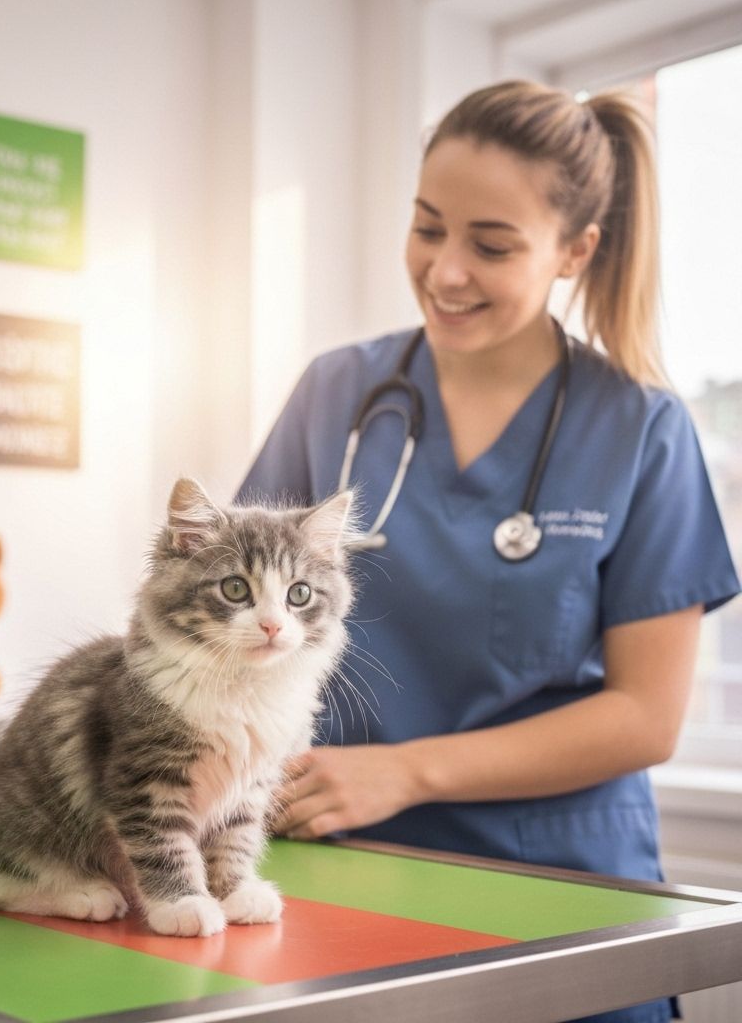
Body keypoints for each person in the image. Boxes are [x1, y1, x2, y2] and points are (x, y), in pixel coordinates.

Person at [237, 80, 740, 1023]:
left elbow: (645, 717)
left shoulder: (641, 429)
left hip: (564, 897)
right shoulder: (335, 396)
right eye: (428, 228)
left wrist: (407, 771)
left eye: (492, 244)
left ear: (575, 251)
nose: (445, 270)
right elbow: (230, 625)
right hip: (339, 876)